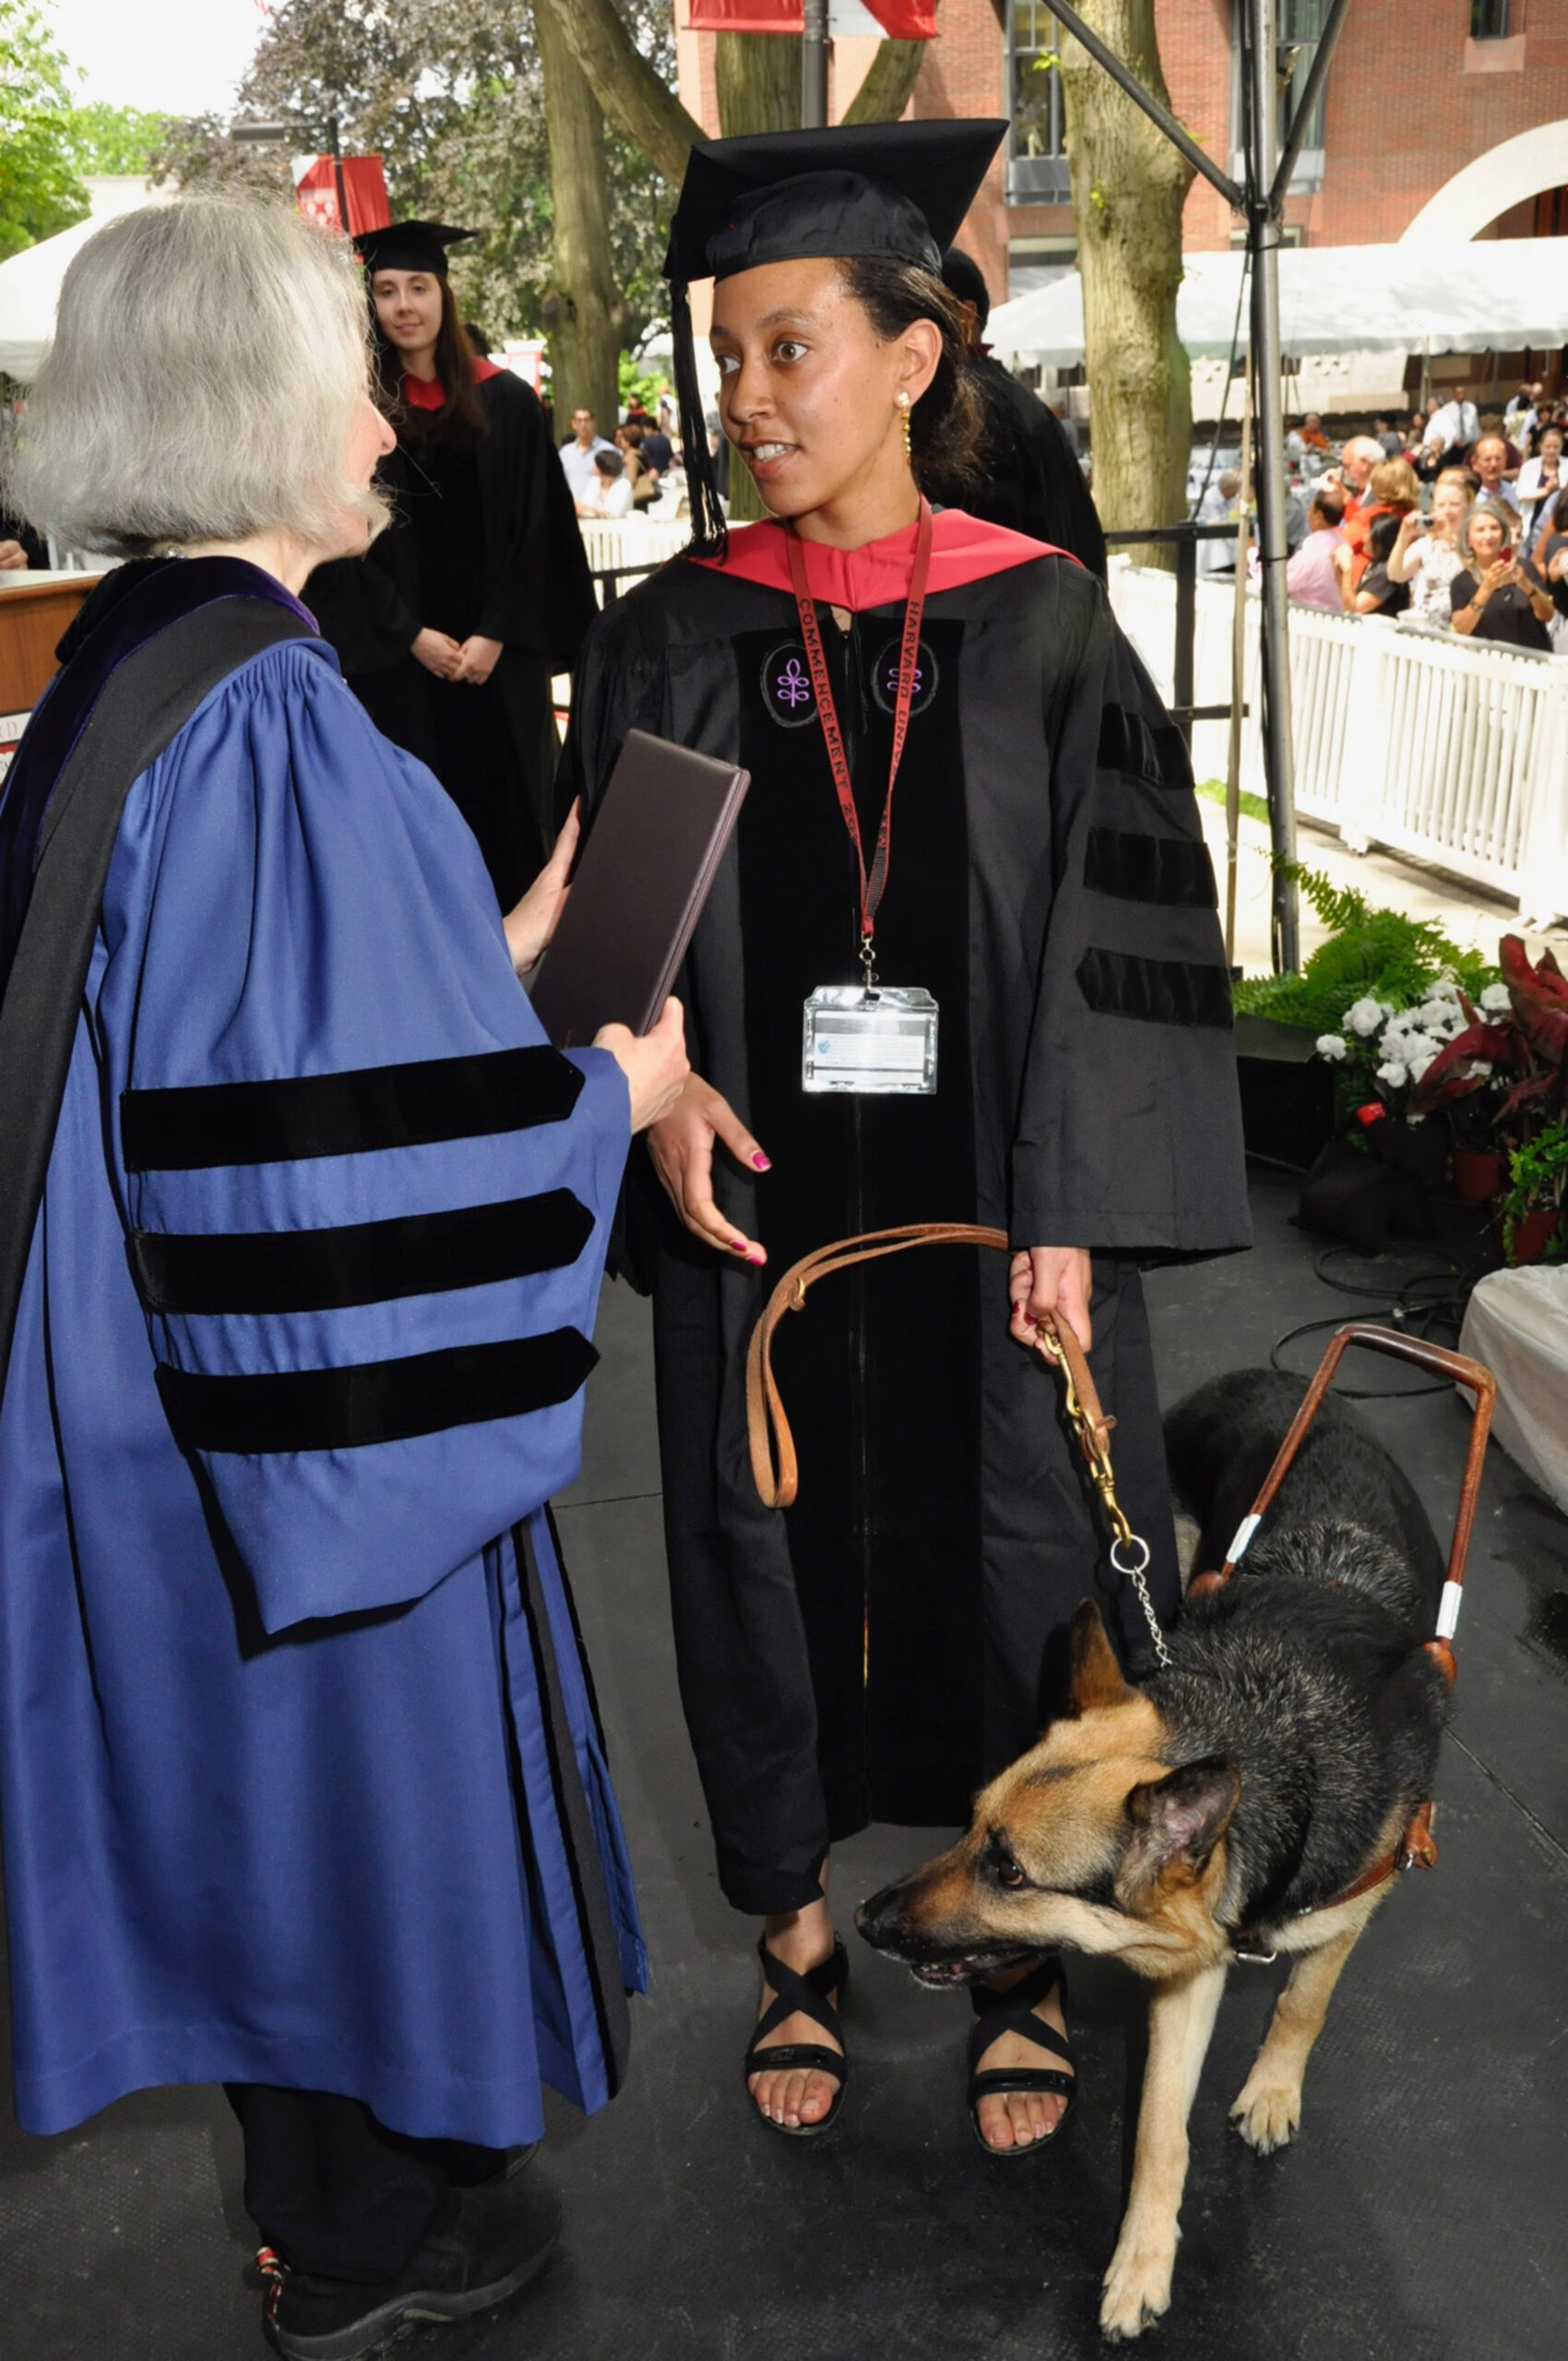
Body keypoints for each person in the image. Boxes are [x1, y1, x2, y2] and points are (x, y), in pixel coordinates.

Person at [0, 197, 690, 2361]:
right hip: (276, 1402)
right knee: (334, 1799)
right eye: (341, 364)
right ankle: (366, 2237)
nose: (385, 411)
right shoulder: (281, 714)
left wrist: (480, 956)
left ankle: (343, 2215)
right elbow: (327, 1179)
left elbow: (235, 1038)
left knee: (236, 1803)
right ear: (259, 403)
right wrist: (605, 1080)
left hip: (129, 1361)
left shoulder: (128, 654)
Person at [558, 119, 1248, 2156]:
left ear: (912, 356)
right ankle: (791, 1925)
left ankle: (1020, 1943)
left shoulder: (1042, 625)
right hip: (754, 1194)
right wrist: (653, 1084)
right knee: (746, 1541)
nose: (746, 397)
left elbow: (1125, 929)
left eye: (788, 349)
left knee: (1032, 1554)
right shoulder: (679, 624)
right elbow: (616, 926)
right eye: (728, 356)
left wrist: (1072, 1207)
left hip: (994, 1214)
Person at [305, 221, 597, 909]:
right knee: (417, 819)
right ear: (368, 303)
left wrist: (496, 633)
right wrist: (411, 635)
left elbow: (537, 531)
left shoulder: (509, 404)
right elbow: (350, 540)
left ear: (444, 295)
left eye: (418, 287)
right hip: (400, 669)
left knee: (513, 816)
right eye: (385, 290)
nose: (404, 304)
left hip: (501, 666)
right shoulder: (358, 412)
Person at [927, 245, 1107, 576]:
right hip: (1050, 605)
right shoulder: (1022, 401)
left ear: (965, 315)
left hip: (997, 610)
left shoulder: (953, 406)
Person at [1449, 502, 1555, 651]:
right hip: (1490, 666)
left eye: (1494, 528)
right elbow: (1461, 629)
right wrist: (1486, 589)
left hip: (1533, 663)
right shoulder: (1461, 582)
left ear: (1503, 534)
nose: (1488, 535)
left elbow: (1547, 614)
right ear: (1468, 540)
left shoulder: (1524, 568)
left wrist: (1526, 585)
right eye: (1480, 530)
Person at [1385, 470, 1470, 626]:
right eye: (1441, 505)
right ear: (1432, 509)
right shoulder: (1426, 545)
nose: (1447, 510)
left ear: (1467, 507)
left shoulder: (1474, 543)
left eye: (1454, 504)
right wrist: (1403, 537)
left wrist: (1451, 537)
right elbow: (1395, 575)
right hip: (1420, 626)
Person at [1338, 455, 1418, 590]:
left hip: (1366, 582)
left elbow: (1340, 544)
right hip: (1405, 581)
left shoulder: (1368, 516)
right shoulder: (1414, 517)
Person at [1285, 482, 1346, 606]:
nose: (1307, 515)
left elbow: (1281, 582)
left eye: (1310, 510)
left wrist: (1252, 554)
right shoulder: (1344, 543)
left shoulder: (1312, 552)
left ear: (1318, 517)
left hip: (1310, 617)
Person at [1342, 511, 1410, 617]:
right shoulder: (1376, 564)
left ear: (1379, 544)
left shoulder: (1386, 574)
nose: (1363, 538)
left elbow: (1353, 608)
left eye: (1368, 533)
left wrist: (1346, 570)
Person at [1516, 421, 1564, 554]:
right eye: (1548, 446)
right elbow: (1521, 494)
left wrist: (1558, 489)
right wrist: (1546, 491)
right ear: (1540, 447)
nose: (1551, 451)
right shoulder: (1529, 466)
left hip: (1559, 526)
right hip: (1532, 522)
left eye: (1556, 447)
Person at [558, 404, 615, 503]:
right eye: (579, 421)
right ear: (574, 424)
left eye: (586, 420)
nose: (583, 425)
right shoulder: (565, 452)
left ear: (594, 422)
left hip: (600, 511)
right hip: (571, 510)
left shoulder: (608, 450)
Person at [1423, 385, 1479, 469]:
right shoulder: (1446, 410)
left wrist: (1476, 441)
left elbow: (1475, 427)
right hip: (1453, 446)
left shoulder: (1471, 408)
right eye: (1458, 393)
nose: (1461, 395)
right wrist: (1453, 440)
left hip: (1468, 445)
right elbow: (1444, 429)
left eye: (1463, 393)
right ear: (1454, 394)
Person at [1468, 432, 1521, 516]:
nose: (1494, 465)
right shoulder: (1470, 497)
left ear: (1505, 461)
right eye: (1487, 460)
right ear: (1475, 464)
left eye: (1498, 458)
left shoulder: (1510, 491)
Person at [576, 445, 636, 520]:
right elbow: (583, 505)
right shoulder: (594, 481)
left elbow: (614, 513)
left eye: (596, 465)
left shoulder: (624, 485)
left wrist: (589, 510)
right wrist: (590, 511)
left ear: (602, 467)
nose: (593, 467)